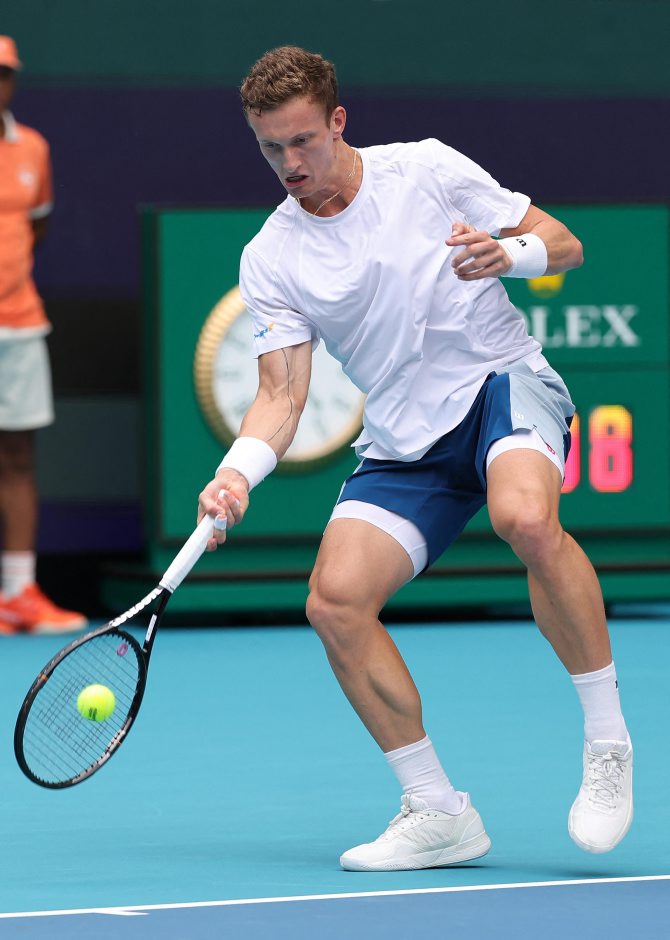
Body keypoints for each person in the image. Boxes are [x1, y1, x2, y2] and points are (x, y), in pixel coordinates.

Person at [197, 46, 633, 869]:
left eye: (302, 141)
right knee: (334, 603)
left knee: (523, 517)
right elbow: (281, 397)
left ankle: (608, 741)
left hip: (499, 381)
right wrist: (236, 473)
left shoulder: (424, 170)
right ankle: (438, 809)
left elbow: (564, 243)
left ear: (338, 121)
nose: (289, 164)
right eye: (269, 147)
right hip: (405, 438)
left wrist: (511, 254)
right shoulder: (272, 256)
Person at [0, 36, 87, 635]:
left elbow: (35, 229)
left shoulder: (33, 148)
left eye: (4, 74)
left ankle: (17, 593)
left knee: (18, 456)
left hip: (20, 323)